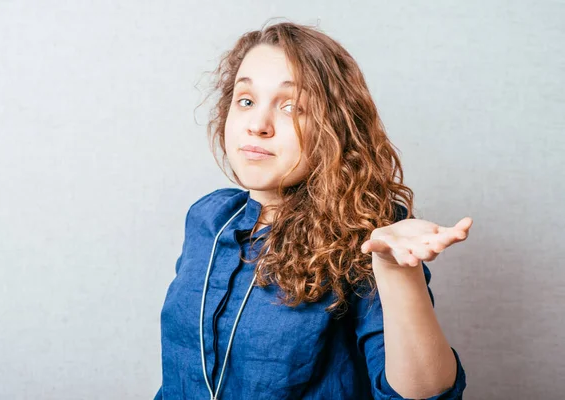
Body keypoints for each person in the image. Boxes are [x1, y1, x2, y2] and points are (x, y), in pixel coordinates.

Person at [154, 20, 472, 400]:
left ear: (334, 127)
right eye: (246, 100)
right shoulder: (208, 218)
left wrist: (395, 271)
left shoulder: (368, 234)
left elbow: (422, 392)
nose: (257, 124)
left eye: (292, 107)